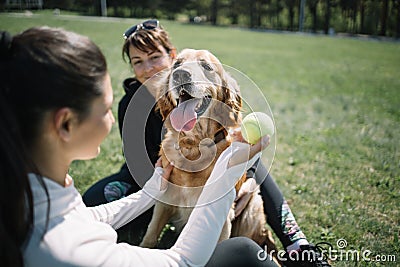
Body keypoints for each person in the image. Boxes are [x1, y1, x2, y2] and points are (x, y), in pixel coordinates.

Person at [0, 26, 280, 267]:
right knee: (243, 252)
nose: (113, 118)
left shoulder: (30, 195)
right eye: (106, 108)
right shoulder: (66, 251)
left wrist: (151, 191)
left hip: (166, 184)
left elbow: (85, 216)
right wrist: (228, 170)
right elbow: (181, 261)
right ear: (66, 124)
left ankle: (294, 241)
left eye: (155, 57)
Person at [82, 19, 331, 267]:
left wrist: (247, 178)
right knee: (94, 198)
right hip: (149, 179)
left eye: (155, 57)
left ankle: (298, 244)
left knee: (247, 159)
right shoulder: (130, 105)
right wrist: (167, 173)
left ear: (171, 56)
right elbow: (136, 160)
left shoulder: (199, 92)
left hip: (196, 173)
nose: (148, 68)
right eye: (138, 62)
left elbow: (234, 136)